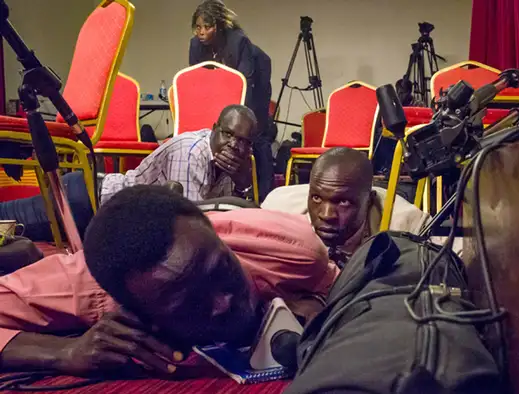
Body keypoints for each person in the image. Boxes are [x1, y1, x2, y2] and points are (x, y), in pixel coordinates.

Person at [0, 185, 338, 376]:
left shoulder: (294, 249)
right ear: (135, 313)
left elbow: (341, 278)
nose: (222, 302)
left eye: (222, 270)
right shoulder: (84, 286)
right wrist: (63, 350)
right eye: (190, 304)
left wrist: (318, 298)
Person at [0, 104, 257, 242]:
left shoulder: (232, 163)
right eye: (228, 134)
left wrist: (242, 183)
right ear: (214, 129)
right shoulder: (191, 152)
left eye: (244, 141)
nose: (234, 145)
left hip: (104, 217)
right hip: (89, 201)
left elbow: (223, 219)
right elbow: (191, 222)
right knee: (6, 223)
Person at [262, 148, 430, 267]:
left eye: (343, 202)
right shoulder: (278, 210)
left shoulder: (407, 224)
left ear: (369, 201)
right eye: (316, 198)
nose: (327, 215)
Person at [189, 0, 275, 202]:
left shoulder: (238, 41)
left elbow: (244, 82)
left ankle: (262, 195)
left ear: (218, 27)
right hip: (222, 92)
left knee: (256, 134)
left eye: (207, 27)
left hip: (255, 84)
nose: (201, 32)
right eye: (198, 27)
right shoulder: (195, 44)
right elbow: (196, 79)